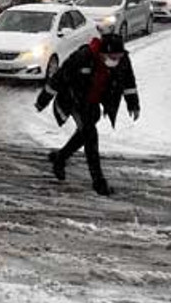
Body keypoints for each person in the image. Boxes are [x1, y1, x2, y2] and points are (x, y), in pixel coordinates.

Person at [35, 32, 140, 195]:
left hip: (93, 102)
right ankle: (98, 182)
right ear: (103, 53)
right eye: (112, 56)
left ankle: (61, 158)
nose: (116, 60)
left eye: (119, 56)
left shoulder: (122, 60)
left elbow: (128, 82)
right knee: (90, 135)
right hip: (73, 100)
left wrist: (133, 104)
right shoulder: (83, 56)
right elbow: (59, 77)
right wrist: (43, 100)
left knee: (85, 132)